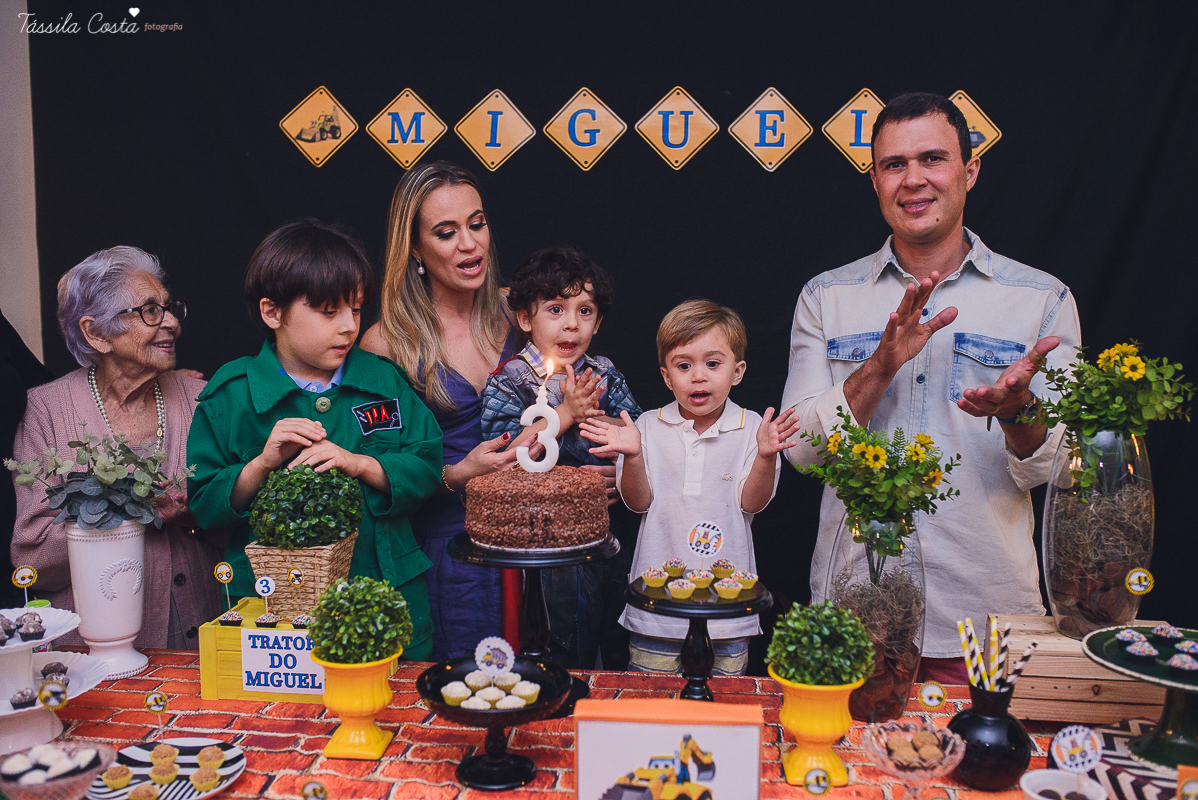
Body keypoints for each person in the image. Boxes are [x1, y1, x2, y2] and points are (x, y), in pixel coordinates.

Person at [781, 92, 1082, 683]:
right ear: (875, 181)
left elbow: (1054, 467)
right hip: (855, 614)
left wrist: (1019, 409)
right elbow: (801, 452)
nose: (913, 180)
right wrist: (878, 367)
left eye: (932, 159)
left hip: (985, 618)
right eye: (894, 164)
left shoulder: (1042, 300)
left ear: (969, 170)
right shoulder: (826, 297)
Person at [187, 220, 442, 660]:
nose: (348, 327)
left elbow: (428, 465)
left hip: (382, 600)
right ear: (273, 313)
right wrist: (261, 464)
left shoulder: (384, 381)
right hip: (273, 617)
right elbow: (205, 505)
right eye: (329, 312)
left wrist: (363, 464)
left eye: (357, 310)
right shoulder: (229, 396)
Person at [11, 247, 222, 648]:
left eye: (170, 308)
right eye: (149, 311)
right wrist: (133, 512)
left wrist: (200, 512)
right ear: (96, 332)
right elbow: (32, 559)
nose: (172, 323)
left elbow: (244, 527)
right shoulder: (46, 410)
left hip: (200, 634)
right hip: (91, 649)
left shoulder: (203, 398)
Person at [361, 162, 528, 662]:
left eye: (477, 224)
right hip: (454, 555)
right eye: (446, 232)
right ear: (414, 247)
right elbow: (376, 474)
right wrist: (457, 474)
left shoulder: (524, 310)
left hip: (538, 545)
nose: (469, 245)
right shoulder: (385, 344)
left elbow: (578, 399)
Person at [582, 300, 800, 675]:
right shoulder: (647, 426)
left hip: (729, 610)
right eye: (684, 366)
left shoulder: (752, 430)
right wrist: (632, 456)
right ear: (667, 377)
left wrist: (765, 456)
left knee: (723, 706)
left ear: (737, 371)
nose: (698, 377)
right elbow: (637, 504)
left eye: (713, 364)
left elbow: (753, 504)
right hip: (657, 609)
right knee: (653, 705)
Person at [480, 247, 642, 670]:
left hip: (610, 532)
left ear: (598, 321)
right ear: (525, 318)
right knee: (563, 639)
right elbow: (504, 454)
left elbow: (640, 434)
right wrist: (566, 413)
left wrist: (620, 468)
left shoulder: (605, 375)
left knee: (616, 629)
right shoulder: (508, 381)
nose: (571, 323)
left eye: (584, 311)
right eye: (555, 309)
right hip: (545, 539)